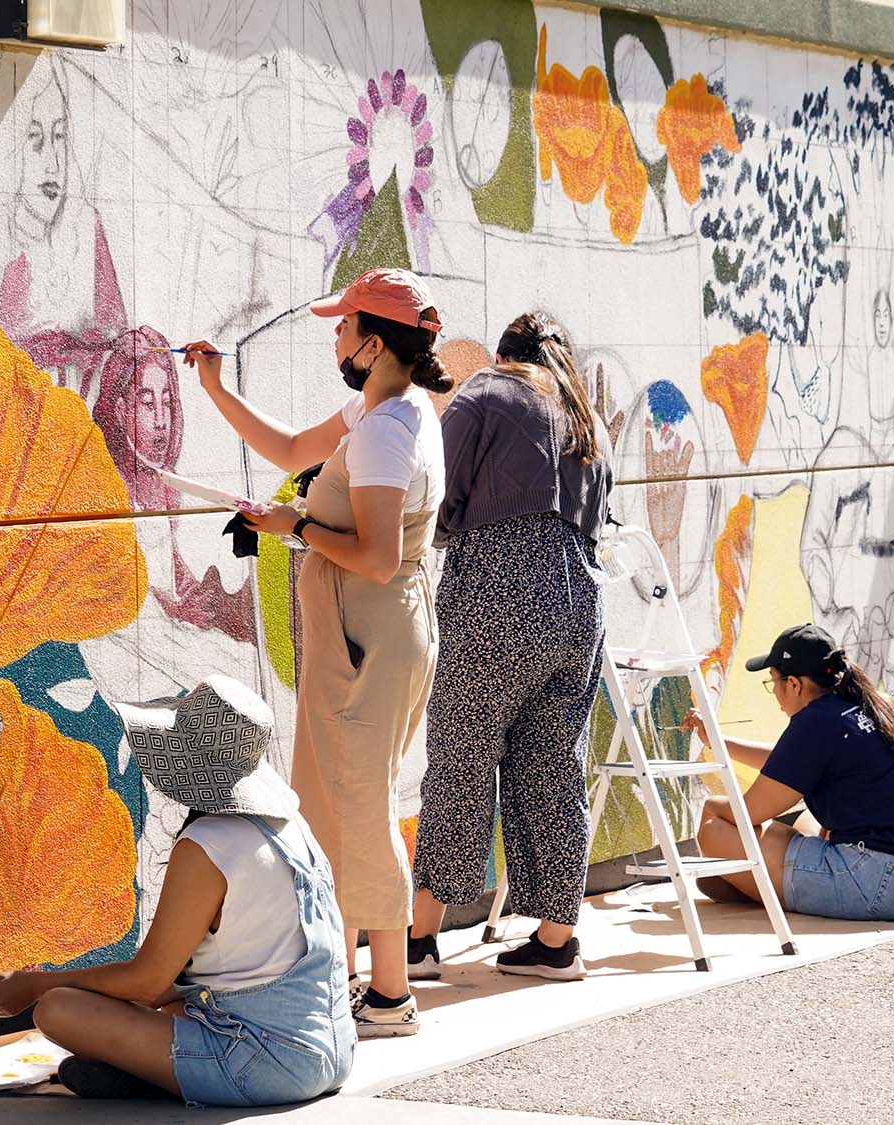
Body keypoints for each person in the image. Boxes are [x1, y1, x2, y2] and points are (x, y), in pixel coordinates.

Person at [183, 267, 450, 1037]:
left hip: (368, 635)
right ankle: (353, 978)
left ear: (373, 343)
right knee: (339, 802)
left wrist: (291, 525)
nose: (332, 333)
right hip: (372, 633)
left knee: (359, 806)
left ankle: (391, 995)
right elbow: (294, 446)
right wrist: (214, 386)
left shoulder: (386, 430)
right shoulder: (389, 409)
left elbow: (370, 555)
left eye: (342, 324)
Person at [0, 677, 353, 1108]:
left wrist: (35, 984)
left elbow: (148, 982)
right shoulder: (290, 827)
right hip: (332, 1052)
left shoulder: (210, 844)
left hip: (262, 1064)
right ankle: (155, 1074)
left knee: (57, 1009)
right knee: (161, 999)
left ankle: (155, 1077)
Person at [406, 312, 614, 982]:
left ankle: (419, 941)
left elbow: (438, 495)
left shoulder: (487, 392)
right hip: (580, 601)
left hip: (498, 595)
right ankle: (557, 941)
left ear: (502, 353)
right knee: (555, 766)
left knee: (461, 753)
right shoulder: (587, 418)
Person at [689, 624, 894, 921]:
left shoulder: (815, 722)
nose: (776, 695)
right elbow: (793, 762)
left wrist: (716, 829)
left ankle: (749, 885)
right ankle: (754, 882)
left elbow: (751, 813)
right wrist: (719, 742)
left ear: (794, 684)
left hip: (887, 883)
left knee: (716, 824)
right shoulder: (872, 705)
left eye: (773, 683)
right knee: (807, 819)